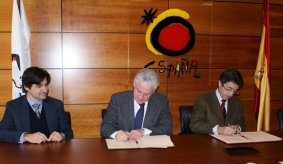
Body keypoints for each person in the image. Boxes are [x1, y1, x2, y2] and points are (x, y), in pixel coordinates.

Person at [0, 67, 73, 144]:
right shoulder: (13, 107)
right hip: (25, 154)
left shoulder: (56, 104)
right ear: (26, 87)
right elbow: (1, 132)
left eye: (46, 85)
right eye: (39, 86)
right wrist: (25, 136)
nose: (45, 90)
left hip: (53, 153)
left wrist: (61, 135)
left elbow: (68, 132)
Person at [100, 68, 172, 141]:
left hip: (148, 149)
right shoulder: (118, 99)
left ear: (154, 91)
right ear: (134, 84)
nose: (141, 97)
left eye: (146, 94)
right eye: (139, 91)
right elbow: (105, 126)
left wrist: (143, 131)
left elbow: (168, 128)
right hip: (123, 148)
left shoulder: (161, 101)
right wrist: (116, 134)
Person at [190, 68, 246, 135]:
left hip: (231, 142)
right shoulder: (203, 100)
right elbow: (195, 125)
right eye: (228, 89)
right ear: (220, 83)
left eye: (234, 91)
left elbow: (242, 125)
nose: (231, 94)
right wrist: (218, 129)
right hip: (208, 142)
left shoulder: (237, 103)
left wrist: (237, 128)